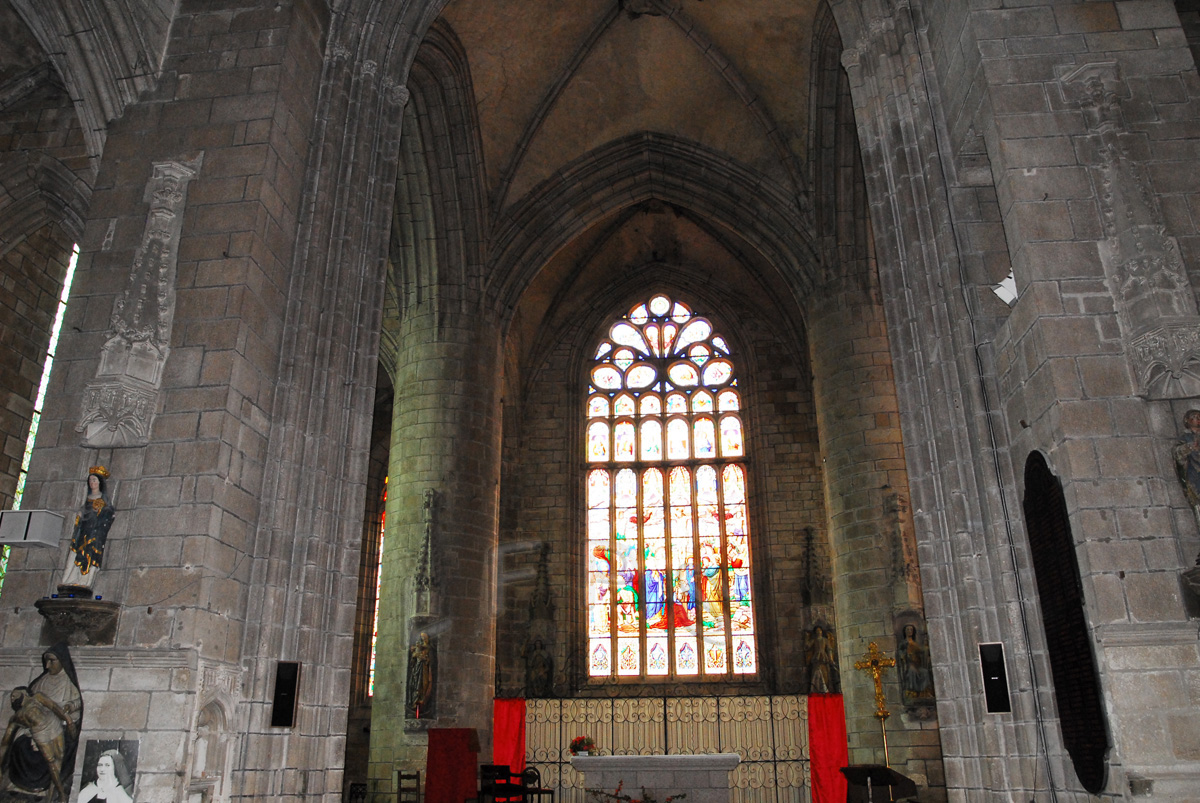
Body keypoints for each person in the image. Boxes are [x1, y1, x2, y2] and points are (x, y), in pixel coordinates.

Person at [0, 687, 74, 801]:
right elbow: (5, 742)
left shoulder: (37, 697)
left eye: (15, 694)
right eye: (11, 697)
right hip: (40, 734)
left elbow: (54, 707)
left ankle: (55, 793)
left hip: (53, 723)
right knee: (51, 762)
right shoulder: (16, 717)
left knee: (60, 757)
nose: (12, 698)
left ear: (24, 693)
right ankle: (59, 793)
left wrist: (68, 720)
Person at [61, 466, 116, 590]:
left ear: (100, 483)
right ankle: (70, 579)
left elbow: (109, 517)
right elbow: (83, 513)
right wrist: (80, 516)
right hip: (82, 532)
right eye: (90, 480)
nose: (92, 483)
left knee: (90, 555)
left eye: (94, 480)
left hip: (94, 534)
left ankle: (84, 581)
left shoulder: (104, 502)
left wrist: (101, 513)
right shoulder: (86, 499)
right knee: (75, 554)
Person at [896, 623, 934, 701]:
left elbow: (921, 651)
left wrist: (926, 648)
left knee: (925, 672)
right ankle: (911, 692)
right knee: (912, 671)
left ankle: (924, 692)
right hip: (909, 665)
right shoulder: (903, 643)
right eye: (908, 629)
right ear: (905, 631)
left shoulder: (915, 643)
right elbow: (900, 653)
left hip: (917, 665)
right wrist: (905, 654)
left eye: (911, 630)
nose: (909, 631)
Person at [405, 632, 434, 719]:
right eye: (421, 638)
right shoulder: (416, 649)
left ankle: (422, 700)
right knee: (415, 684)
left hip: (424, 670)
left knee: (424, 684)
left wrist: (425, 659)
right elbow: (412, 662)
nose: (422, 640)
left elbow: (431, 661)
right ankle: (415, 701)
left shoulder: (428, 649)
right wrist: (415, 656)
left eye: (424, 638)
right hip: (416, 670)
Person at [805, 625, 838, 694]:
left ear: (822, 631)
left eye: (820, 630)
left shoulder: (825, 640)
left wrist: (831, 658)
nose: (819, 632)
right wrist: (806, 638)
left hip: (824, 658)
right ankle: (816, 689)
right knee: (815, 673)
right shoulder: (814, 640)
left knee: (825, 673)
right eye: (817, 631)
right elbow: (807, 647)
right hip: (816, 658)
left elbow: (829, 649)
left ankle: (826, 688)